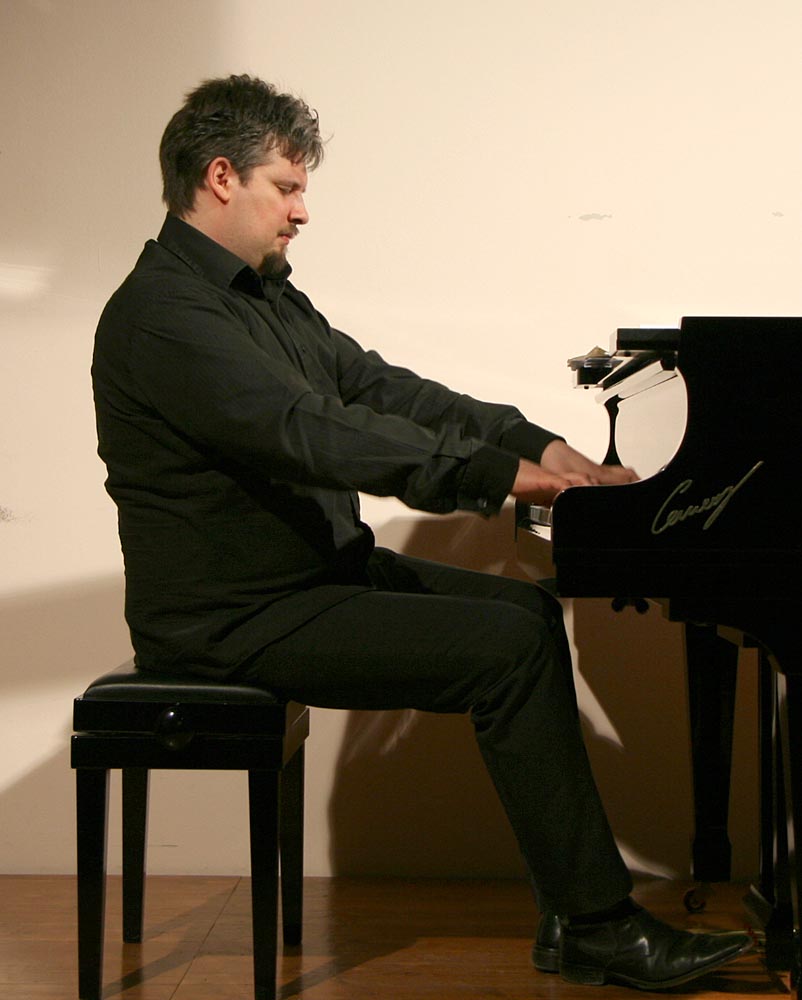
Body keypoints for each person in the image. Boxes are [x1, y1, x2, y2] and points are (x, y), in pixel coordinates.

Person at [92, 74, 751, 989]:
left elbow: (379, 388)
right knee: (505, 653)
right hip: (231, 617)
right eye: (286, 187)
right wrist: (496, 478)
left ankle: (572, 916)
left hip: (309, 580)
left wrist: (531, 442)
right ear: (221, 178)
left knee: (525, 615)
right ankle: (599, 925)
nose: (302, 211)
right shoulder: (164, 315)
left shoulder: (264, 296)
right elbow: (312, 431)